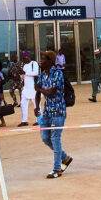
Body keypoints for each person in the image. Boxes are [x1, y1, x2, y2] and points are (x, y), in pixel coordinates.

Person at [34, 50, 72, 179]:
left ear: (50, 61)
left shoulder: (58, 74)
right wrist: (36, 105)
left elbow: (51, 92)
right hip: (47, 111)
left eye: (43, 59)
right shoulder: (42, 75)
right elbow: (38, 93)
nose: (40, 61)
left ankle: (57, 169)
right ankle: (65, 158)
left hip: (58, 111)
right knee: (45, 138)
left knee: (55, 138)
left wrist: (39, 89)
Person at [18, 51, 40, 127]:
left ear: (28, 57)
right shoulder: (24, 66)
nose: (23, 59)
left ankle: (39, 120)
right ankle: (24, 121)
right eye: (23, 58)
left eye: (24, 58)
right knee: (23, 104)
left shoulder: (34, 63)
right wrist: (21, 74)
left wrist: (25, 72)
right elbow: (23, 77)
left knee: (36, 104)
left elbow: (36, 73)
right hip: (26, 88)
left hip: (34, 88)